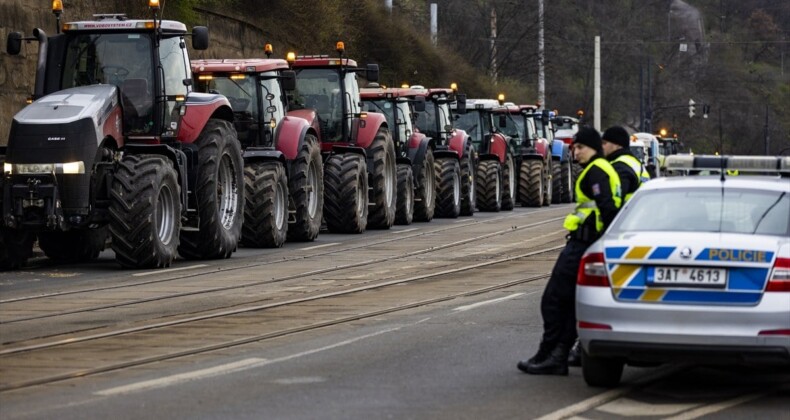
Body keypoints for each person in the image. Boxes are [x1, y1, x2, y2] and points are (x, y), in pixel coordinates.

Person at [517, 127, 622, 376]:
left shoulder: (596, 172)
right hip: (587, 244)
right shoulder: (604, 169)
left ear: (594, 147)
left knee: (553, 300)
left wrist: (600, 243)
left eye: (580, 147)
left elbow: (606, 208)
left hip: (583, 245)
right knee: (567, 303)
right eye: (574, 148)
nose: (575, 152)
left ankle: (551, 353)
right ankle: (555, 355)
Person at [565, 125, 648, 367]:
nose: (602, 147)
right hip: (636, 233)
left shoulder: (619, 167)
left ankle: (585, 347)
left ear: (615, 144)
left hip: (618, 235)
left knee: (597, 294)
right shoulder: (636, 165)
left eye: (605, 143)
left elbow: (613, 202)